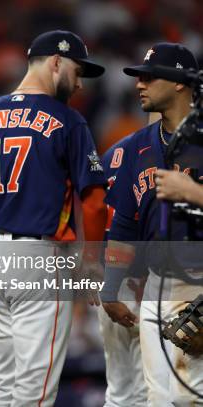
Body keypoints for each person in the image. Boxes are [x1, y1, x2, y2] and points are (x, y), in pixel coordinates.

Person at [0, 30, 107, 406]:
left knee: (5, 387)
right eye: (76, 71)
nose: (78, 83)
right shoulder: (68, 120)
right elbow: (92, 199)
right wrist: (90, 261)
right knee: (35, 391)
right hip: (38, 257)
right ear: (56, 62)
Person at [102, 42, 202, 405]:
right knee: (158, 399)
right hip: (157, 286)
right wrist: (111, 285)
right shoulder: (134, 147)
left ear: (179, 83)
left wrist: (194, 192)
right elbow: (124, 225)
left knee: (189, 397)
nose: (139, 84)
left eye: (148, 77)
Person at [97, 135, 147, 406]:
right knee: (149, 392)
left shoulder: (112, 152)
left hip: (110, 278)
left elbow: (91, 209)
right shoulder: (162, 152)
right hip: (146, 281)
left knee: (118, 391)